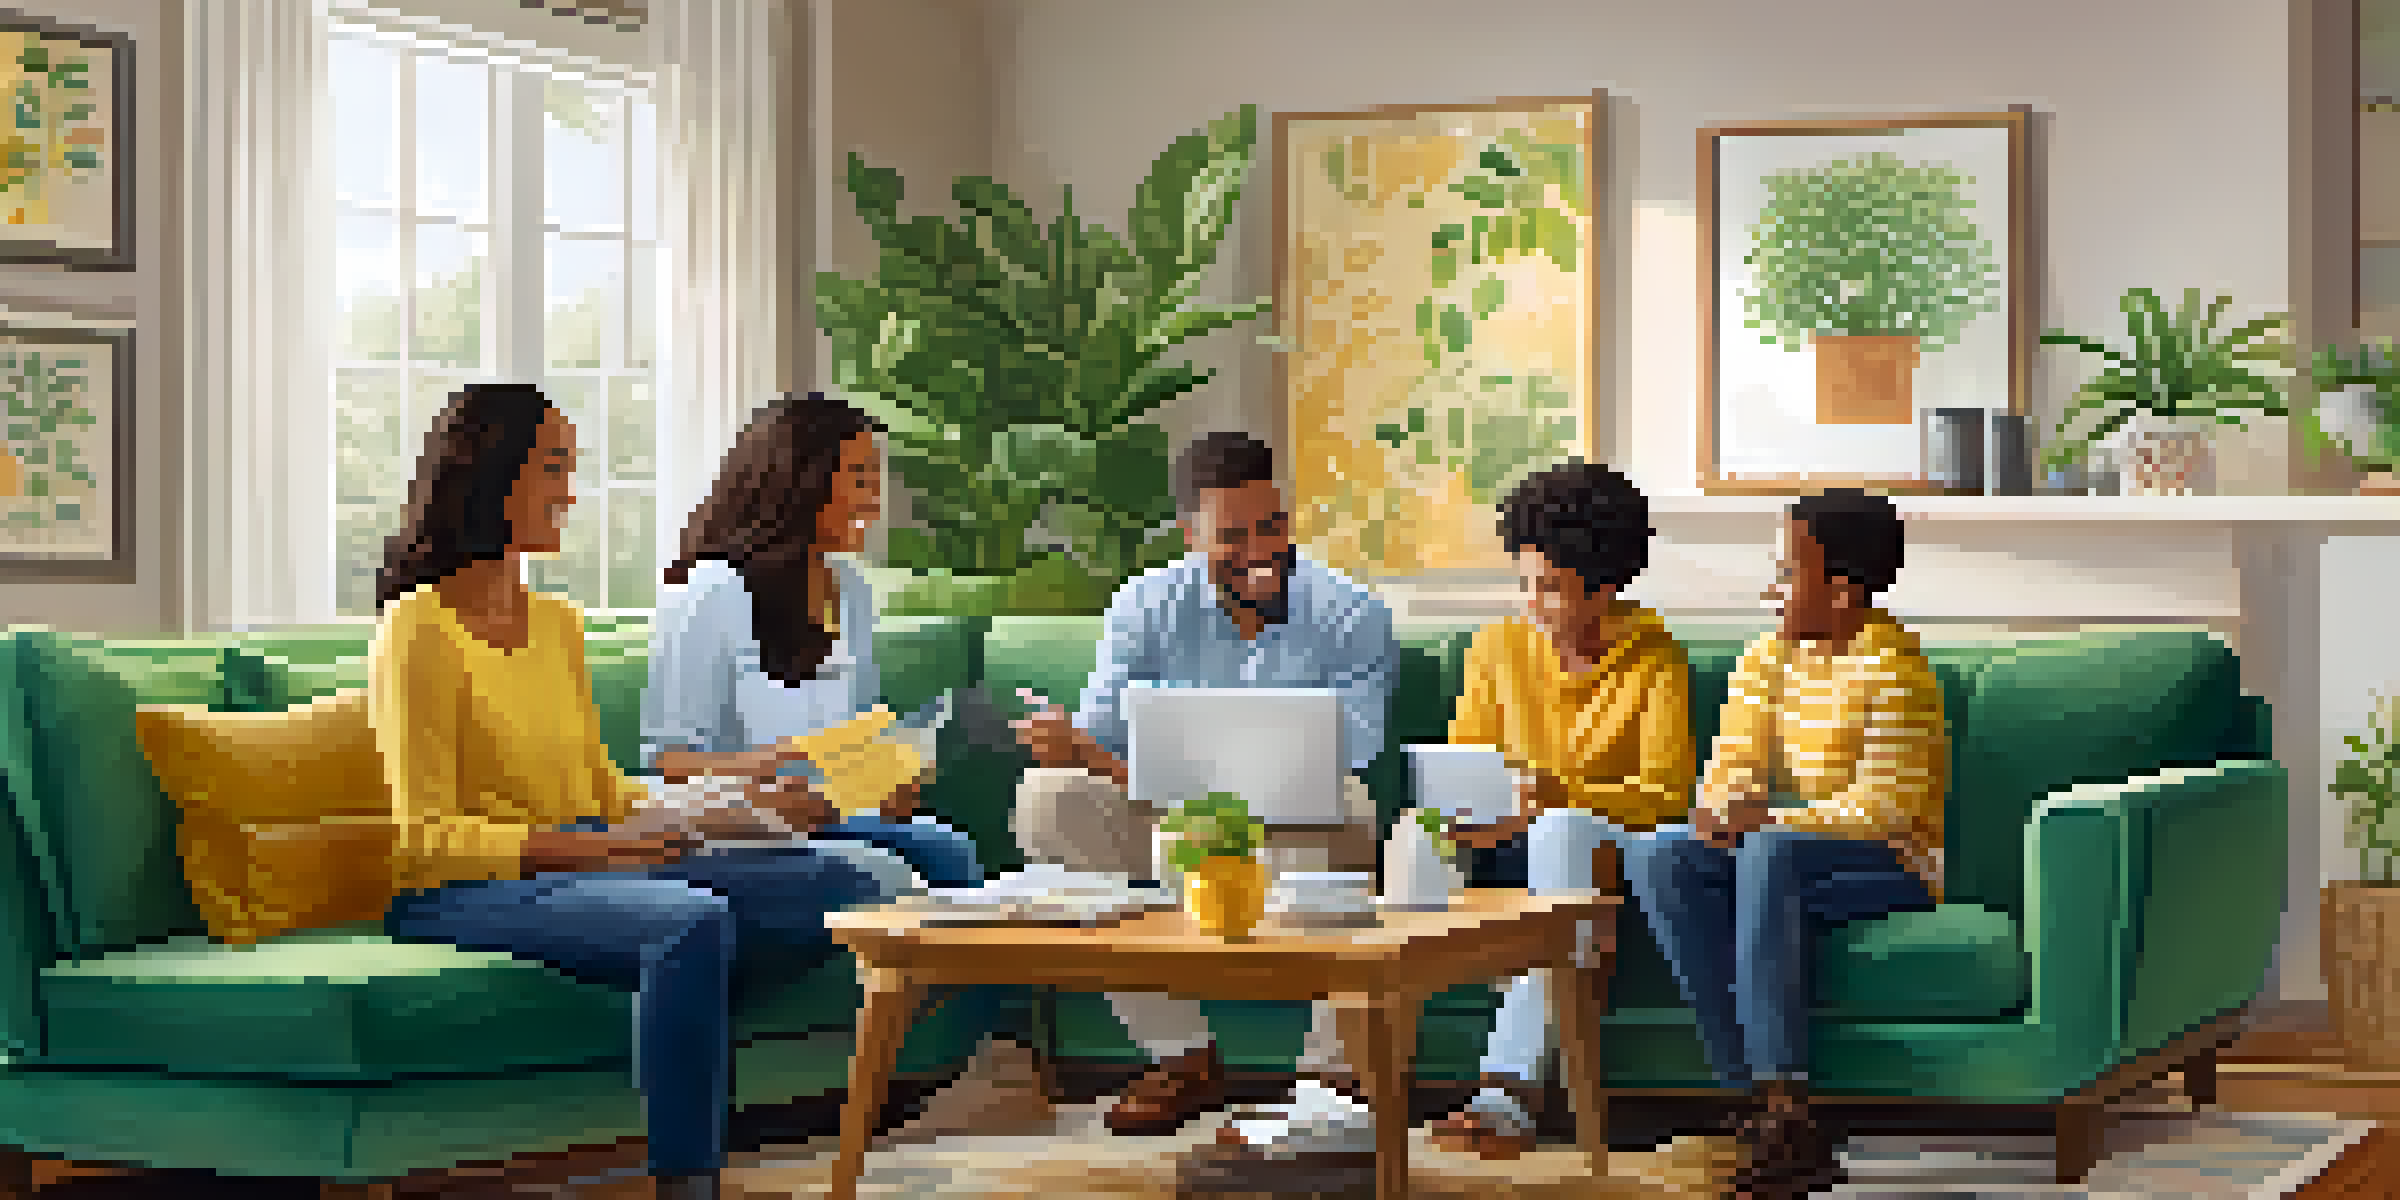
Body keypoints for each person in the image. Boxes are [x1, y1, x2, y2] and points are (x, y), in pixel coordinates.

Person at [365, 384, 931, 1200]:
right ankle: (688, 1181)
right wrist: (603, 847)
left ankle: (829, 1100)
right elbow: (423, 837)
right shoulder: (416, 629)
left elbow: (603, 785)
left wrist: (729, 812)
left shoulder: (555, 624)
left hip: (586, 860)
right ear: (493, 475)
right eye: (554, 467)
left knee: (845, 878)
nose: (570, 490)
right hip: (465, 891)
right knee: (690, 920)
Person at [1009, 431, 1399, 1158]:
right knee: (1048, 797)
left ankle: (1331, 1079)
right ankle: (1181, 1055)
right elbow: (1101, 734)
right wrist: (1069, 744)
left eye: (1272, 527)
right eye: (1232, 536)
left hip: (1294, 819)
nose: (1259, 550)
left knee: (1351, 807)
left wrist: (1207, 785)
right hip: (1163, 817)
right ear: (1191, 535)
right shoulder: (1143, 605)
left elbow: (1359, 748)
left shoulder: (1353, 614)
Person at [1622, 488, 1948, 1199]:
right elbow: (1729, 766)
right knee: (1661, 852)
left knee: (1767, 852)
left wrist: (1765, 822)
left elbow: (1885, 809)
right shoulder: (1767, 657)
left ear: (1840, 591)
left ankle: (1786, 1109)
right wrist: (1718, 809)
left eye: (1786, 573)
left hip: (1890, 863)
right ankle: (1750, 1104)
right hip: (1788, 851)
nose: (1771, 589)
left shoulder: (1895, 669)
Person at [1419, 460, 1695, 1159]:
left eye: (1548, 588)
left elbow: (1665, 793)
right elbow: (1467, 766)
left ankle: (1506, 1092)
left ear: (1602, 590)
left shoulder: (1655, 659)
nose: (1530, 602)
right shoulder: (1496, 649)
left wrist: (1560, 796)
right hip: (1512, 852)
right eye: (1523, 582)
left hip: (1609, 851)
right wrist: (1470, 814)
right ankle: (1339, 1091)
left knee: (1564, 828)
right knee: (1419, 843)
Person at [641, 392, 985, 891]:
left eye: (876, 480)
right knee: (893, 869)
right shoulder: (711, 591)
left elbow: (855, 740)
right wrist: (784, 761)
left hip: (831, 814)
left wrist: (886, 778)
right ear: (800, 482)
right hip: (742, 826)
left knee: (945, 846)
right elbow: (673, 764)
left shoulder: (851, 590)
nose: (874, 500)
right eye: (860, 478)